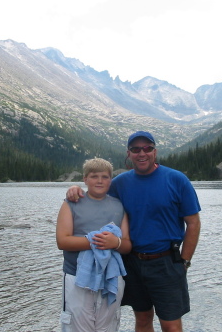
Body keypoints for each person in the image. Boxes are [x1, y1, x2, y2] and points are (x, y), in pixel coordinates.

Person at [66, 131, 201, 332]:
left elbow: (193, 223)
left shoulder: (176, 179)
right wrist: (76, 189)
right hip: (132, 262)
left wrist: (185, 262)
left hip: (166, 262)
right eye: (136, 149)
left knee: (171, 325)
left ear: (155, 152)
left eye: (147, 148)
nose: (142, 153)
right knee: (143, 318)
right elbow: (97, 193)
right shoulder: (120, 183)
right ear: (129, 154)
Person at [56, 158, 132, 332]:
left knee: (108, 326)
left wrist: (116, 242)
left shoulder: (118, 206)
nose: (99, 181)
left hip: (110, 276)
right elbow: (62, 241)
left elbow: (127, 245)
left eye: (105, 177)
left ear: (110, 180)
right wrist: (97, 241)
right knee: (76, 326)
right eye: (94, 176)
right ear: (85, 179)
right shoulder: (71, 203)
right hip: (76, 276)